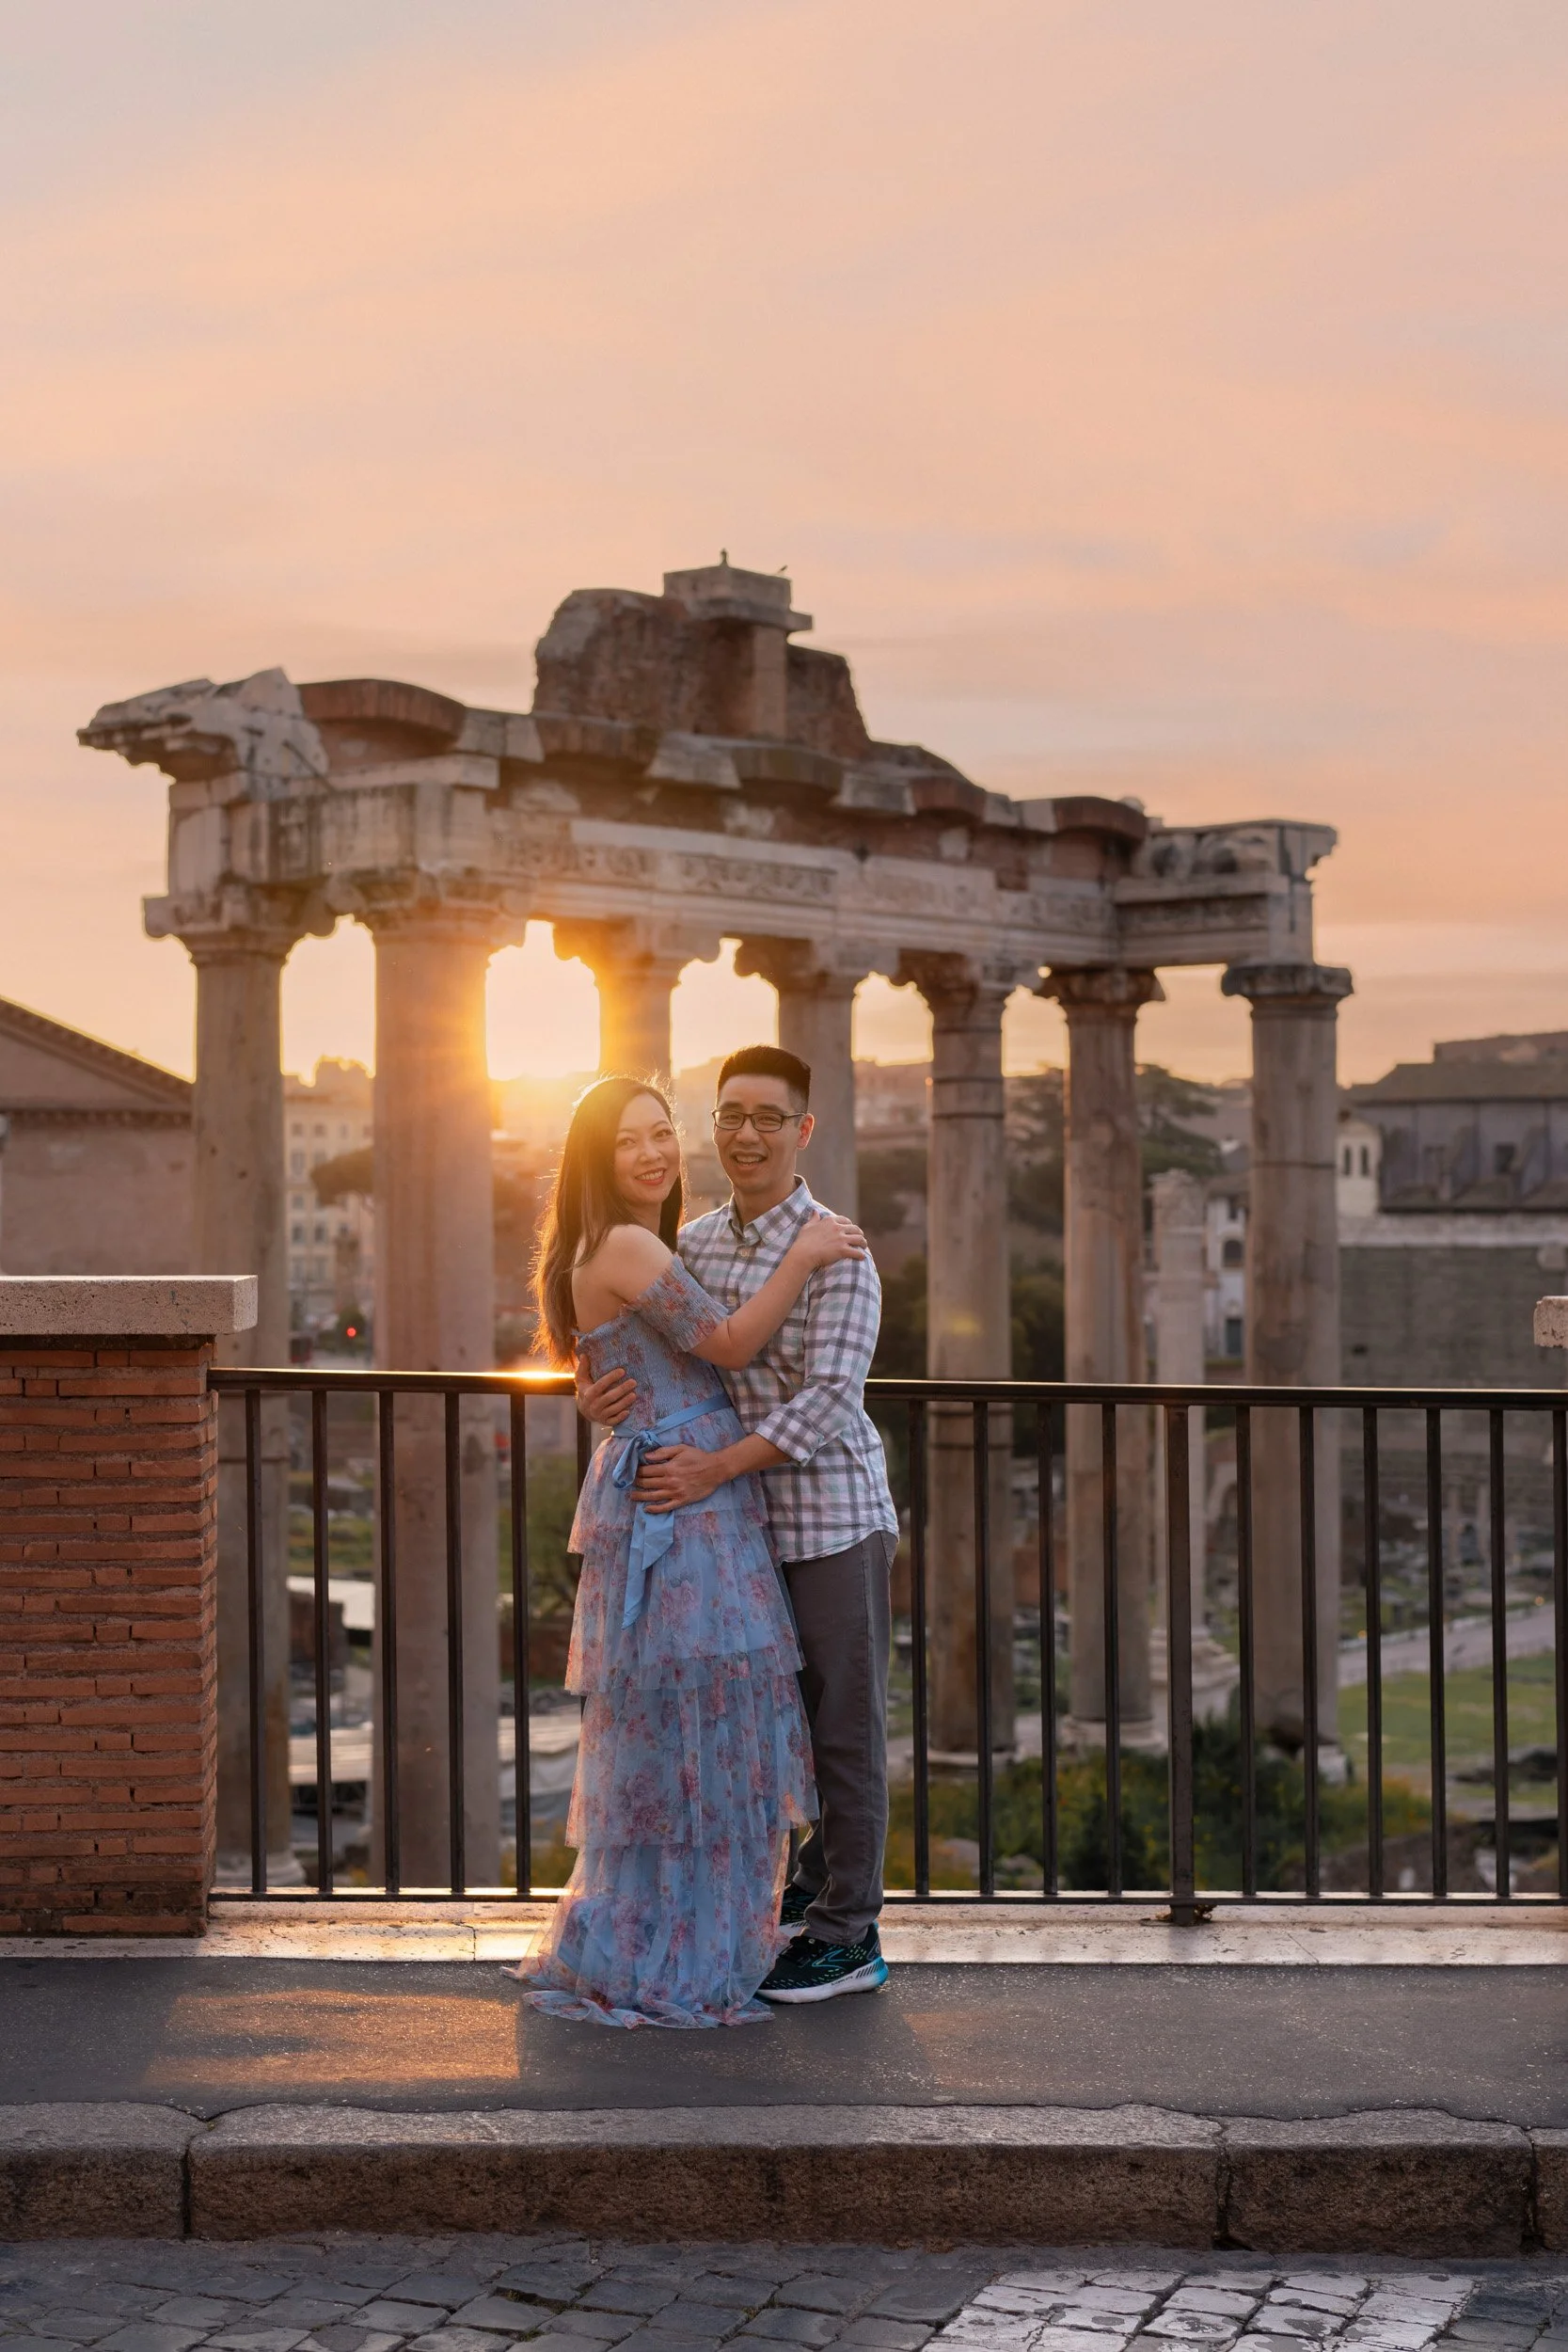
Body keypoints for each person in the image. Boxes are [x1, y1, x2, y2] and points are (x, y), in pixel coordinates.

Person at [512, 1073, 868, 2029]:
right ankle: (700, 1937)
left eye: (663, 1133)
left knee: (670, 1727)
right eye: (629, 1139)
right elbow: (729, 1344)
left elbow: (609, 1364)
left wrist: (599, 1397)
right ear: (595, 1155)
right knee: (715, 1722)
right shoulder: (628, 1242)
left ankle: (665, 1924)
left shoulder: (611, 1245)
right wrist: (802, 1254)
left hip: (664, 1483)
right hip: (690, 1496)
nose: (654, 1153)